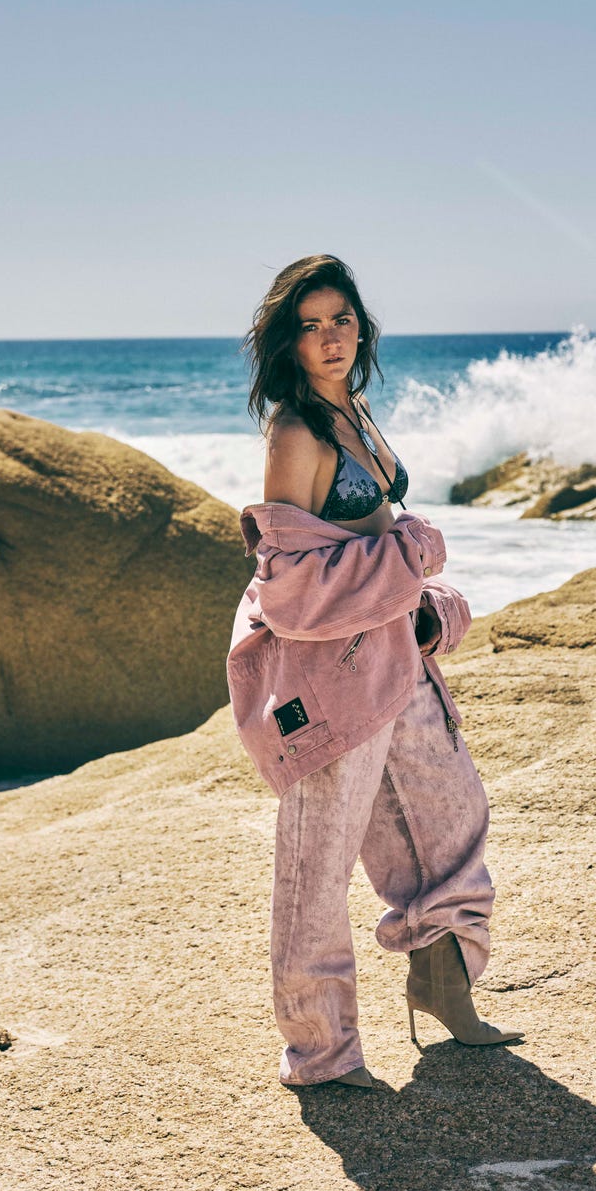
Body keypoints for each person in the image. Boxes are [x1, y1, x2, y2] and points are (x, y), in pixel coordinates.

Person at [227, 255, 523, 1088]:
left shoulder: (352, 408)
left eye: (342, 320)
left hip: (394, 656)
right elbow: (287, 594)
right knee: (317, 866)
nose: (330, 337)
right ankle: (321, 1051)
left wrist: (414, 592)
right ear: (289, 339)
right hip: (329, 683)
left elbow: (368, 540)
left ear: (361, 327)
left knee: (451, 813)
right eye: (312, 324)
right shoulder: (294, 432)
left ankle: (441, 981)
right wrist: (410, 553)